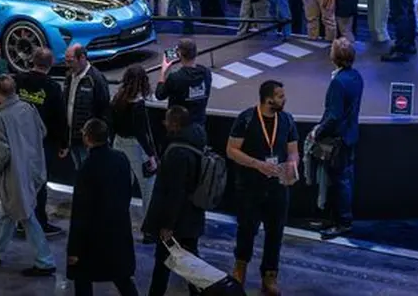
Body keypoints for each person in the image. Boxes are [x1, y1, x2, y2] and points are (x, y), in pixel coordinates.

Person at [0, 75, 56, 277]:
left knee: (25, 214)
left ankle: (44, 260)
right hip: (34, 167)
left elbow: (2, 153)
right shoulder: (29, 109)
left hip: (15, 173)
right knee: (12, 210)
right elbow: (43, 131)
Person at [226, 80, 299, 295]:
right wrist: (257, 164)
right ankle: (240, 267)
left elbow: (293, 150)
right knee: (246, 229)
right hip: (250, 187)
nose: (284, 99)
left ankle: (270, 275)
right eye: (280, 96)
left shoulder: (286, 120)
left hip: (278, 188)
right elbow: (231, 150)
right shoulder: (246, 119)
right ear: (268, 99)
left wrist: (292, 165)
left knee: (275, 232)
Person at [68, 118, 138, 296]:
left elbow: (80, 211)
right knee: (121, 277)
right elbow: (127, 190)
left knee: (83, 278)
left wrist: (74, 249)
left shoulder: (87, 168)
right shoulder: (121, 158)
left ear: (87, 137)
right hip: (118, 230)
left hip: (92, 237)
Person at [143, 106, 207, 296]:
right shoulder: (197, 141)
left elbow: (175, 192)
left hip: (177, 222)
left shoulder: (177, 153)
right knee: (191, 264)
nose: (164, 123)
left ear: (175, 124)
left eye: (167, 120)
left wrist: (167, 225)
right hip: (193, 215)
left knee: (163, 264)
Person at [308, 39, 364, 238]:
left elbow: (333, 116)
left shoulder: (338, 83)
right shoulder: (356, 76)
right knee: (342, 179)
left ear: (334, 57)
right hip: (350, 136)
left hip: (337, 139)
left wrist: (318, 132)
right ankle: (334, 219)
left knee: (340, 181)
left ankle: (342, 222)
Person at [15, 47, 67, 237]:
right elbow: (60, 118)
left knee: (21, 181)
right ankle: (39, 222)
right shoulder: (53, 87)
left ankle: (21, 221)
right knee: (39, 183)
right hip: (42, 144)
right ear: (50, 64)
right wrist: (63, 143)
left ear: (32, 61)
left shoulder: (18, 80)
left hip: (18, 139)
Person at [109, 64, 158, 240]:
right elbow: (141, 133)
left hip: (118, 144)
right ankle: (148, 230)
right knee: (148, 187)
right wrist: (151, 155)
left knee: (122, 187)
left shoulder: (117, 99)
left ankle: (117, 225)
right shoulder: (138, 104)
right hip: (136, 148)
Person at [61, 43, 110, 170]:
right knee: (79, 170)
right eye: (66, 61)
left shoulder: (96, 79)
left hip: (89, 141)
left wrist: (97, 139)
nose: (67, 65)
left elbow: (104, 111)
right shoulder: (69, 77)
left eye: (70, 61)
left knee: (91, 172)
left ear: (82, 58)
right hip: (72, 137)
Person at [155, 37, 212, 127]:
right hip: (200, 125)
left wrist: (163, 72)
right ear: (196, 53)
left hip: (179, 126)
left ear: (179, 54)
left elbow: (159, 95)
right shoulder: (206, 73)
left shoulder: (175, 77)